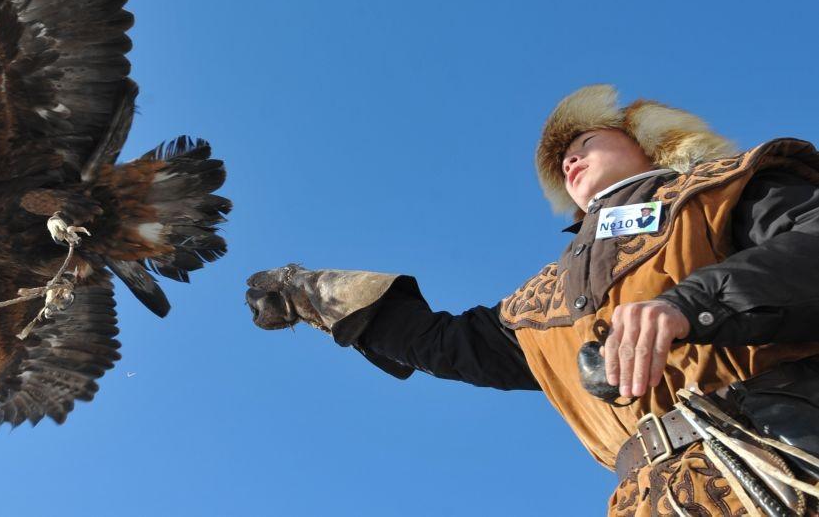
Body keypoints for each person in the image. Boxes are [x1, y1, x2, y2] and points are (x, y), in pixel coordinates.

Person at [247, 84, 819, 515]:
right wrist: (318, 294)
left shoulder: (723, 190)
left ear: (650, 139)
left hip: (788, 456)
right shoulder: (547, 298)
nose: (569, 159)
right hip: (650, 497)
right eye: (560, 159)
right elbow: (453, 345)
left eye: (586, 141)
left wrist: (688, 304)